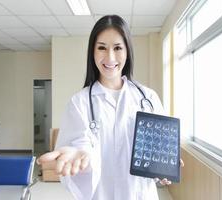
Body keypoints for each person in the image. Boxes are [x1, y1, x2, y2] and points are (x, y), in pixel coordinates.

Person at [37, 15, 183, 200]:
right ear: (92, 52)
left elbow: (155, 152)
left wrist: (163, 166)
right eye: (102, 48)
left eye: (117, 48)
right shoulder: (79, 102)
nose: (110, 57)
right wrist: (79, 155)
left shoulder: (148, 98)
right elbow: (80, 145)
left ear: (127, 51)